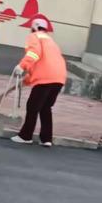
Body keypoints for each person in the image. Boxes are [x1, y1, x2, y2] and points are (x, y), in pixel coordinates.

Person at [11, 15, 67, 147]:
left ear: (35, 27)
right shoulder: (50, 41)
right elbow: (42, 63)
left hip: (45, 78)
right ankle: (46, 139)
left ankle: (25, 136)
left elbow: (34, 54)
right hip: (59, 78)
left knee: (33, 106)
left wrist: (21, 66)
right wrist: (27, 80)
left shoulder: (34, 36)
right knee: (46, 107)